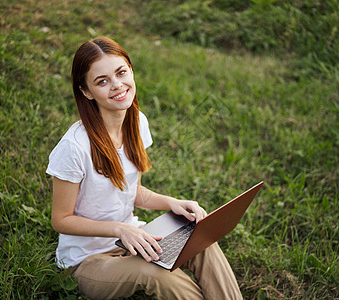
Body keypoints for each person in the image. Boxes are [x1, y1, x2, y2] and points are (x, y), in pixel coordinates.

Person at [46, 36, 242, 300]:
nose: (117, 85)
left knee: (201, 237)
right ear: (86, 92)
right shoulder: (74, 147)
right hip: (87, 260)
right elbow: (61, 220)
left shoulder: (137, 122)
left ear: (131, 70)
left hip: (133, 239)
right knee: (155, 274)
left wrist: (172, 202)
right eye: (102, 81)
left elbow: (132, 192)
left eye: (121, 72)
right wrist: (119, 229)